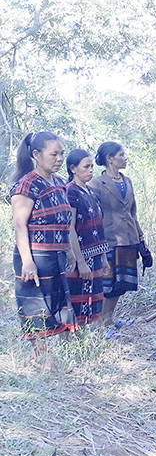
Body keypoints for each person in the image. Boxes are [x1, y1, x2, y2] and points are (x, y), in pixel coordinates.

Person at [9, 132, 76, 360]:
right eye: (54, 154)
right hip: (35, 256)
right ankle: (41, 359)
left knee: (59, 304)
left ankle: (65, 356)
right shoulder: (26, 184)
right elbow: (20, 225)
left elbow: (65, 221)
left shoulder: (59, 183)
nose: (59, 159)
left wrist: (68, 251)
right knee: (36, 309)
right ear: (36, 155)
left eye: (61, 154)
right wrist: (27, 261)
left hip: (56, 255)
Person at [87, 142, 145, 327]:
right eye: (121, 154)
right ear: (110, 159)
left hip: (128, 238)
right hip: (108, 239)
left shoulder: (127, 181)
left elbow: (133, 211)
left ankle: (109, 320)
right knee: (107, 284)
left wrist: (140, 237)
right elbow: (92, 214)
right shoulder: (96, 184)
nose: (125, 158)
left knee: (122, 283)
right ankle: (101, 324)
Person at [65, 149, 111, 326]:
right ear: (73, 169)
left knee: (93, 301)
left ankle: (84, 344)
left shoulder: (92, 193)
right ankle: (73, 346)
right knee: (77, 303)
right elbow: (71, 228)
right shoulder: (70, 192)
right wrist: (80, 261)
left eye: (92, 166)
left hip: (96, 256)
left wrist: (103, 257)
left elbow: (98, 226)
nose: (91, 170)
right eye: (86, 166)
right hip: (79, 256)